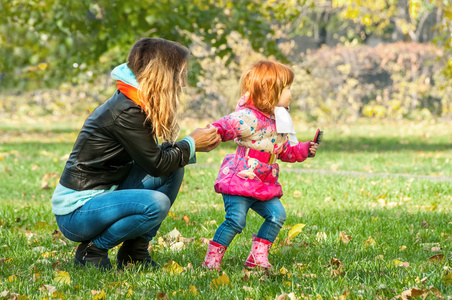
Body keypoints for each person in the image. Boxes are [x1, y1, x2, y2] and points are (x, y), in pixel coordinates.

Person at [51, 38, 221, 270]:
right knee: (156, 203)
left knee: (174, 168)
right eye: (178, 75)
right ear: (161, 75)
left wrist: (189, 147)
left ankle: (134, 253)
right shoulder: (127, 111)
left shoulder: (133, 101)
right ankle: (94, 249)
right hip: (77, 212)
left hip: (105, 194)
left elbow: (159, 162)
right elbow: (156, 164)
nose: (181, 84)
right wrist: (191, 143)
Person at [202, 60, 319, 270]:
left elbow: (283, 150)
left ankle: (256, 258)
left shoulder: (280, 119)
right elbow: (225, 125)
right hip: (240, 180)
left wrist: (304, 149)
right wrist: (211, 133)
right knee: (235, 221)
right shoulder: (248, 116)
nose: (291, 92)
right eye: (287, 88)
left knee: (277, 216)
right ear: (269, 91)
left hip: (263, 183)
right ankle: (212, 259)